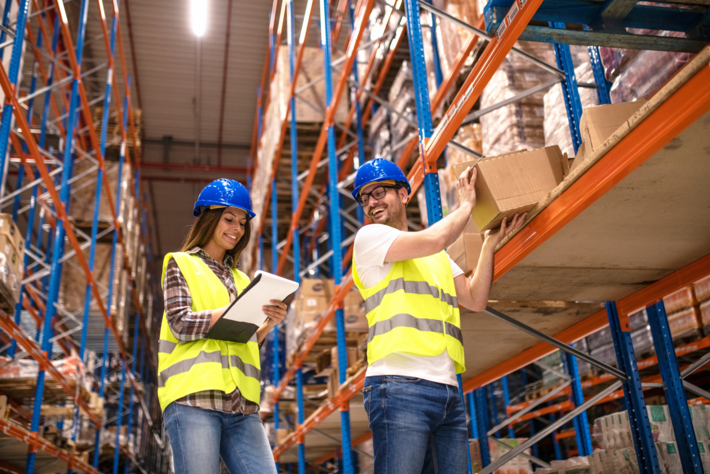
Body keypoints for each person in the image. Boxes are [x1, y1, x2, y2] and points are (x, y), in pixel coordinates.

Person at [351, 159, 525, 474]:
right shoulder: (369, 240)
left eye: (379, 192)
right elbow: (435, 238)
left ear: (404, 194)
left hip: (446, 391)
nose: (371, 202)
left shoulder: (438, 258)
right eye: (365, 198)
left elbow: (475, 299)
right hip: (397, 385)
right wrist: (467, 205)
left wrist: (488, 245)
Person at [158, 178, 284, 474]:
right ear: (209, 219)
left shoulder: (244, 280)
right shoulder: (181, 263)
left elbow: (242, 339)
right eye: (229, 219)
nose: (237, 229)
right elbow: (179, 324)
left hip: (242, 406)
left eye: (242, 223)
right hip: (194, 400)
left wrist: (267, 324)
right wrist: (226, 312)